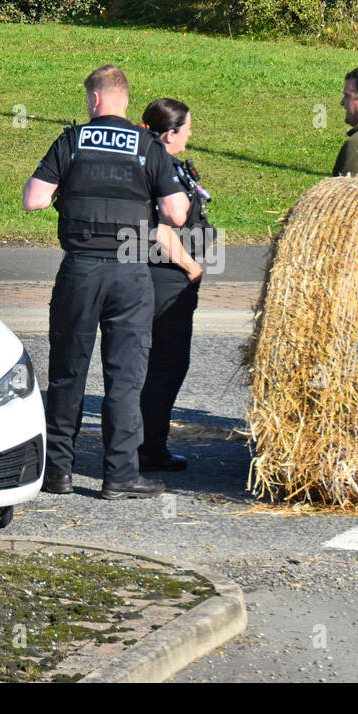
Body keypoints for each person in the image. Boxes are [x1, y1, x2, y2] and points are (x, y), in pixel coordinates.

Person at [22, 65, 189, 500]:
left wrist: (66, 190)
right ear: (125, 101)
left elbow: (34, 200)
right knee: (125, 376)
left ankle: (58, 471)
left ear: (95, 100)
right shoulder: (148, 148)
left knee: (67, 371)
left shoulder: (72, 142)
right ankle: (119, 476)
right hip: (131, 273)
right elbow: (176, 214)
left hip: (80, 269)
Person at [137, 98, 211, 472]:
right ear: (170, 134)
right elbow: (160, 229)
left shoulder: (152, 160)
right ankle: (149, 449)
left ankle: (145, 443)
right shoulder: (159, 166)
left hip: (163, 275)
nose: (191, 134)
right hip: (165, 277)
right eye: (187, 129)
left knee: (156, 365)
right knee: (165, 365)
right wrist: (191, 267)